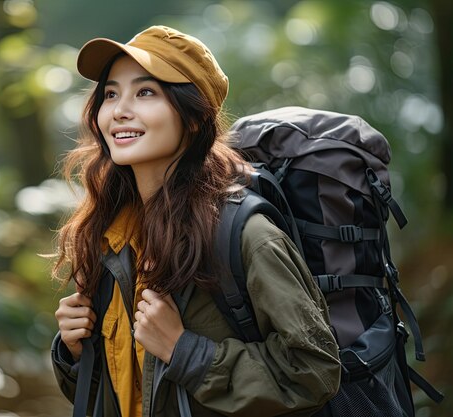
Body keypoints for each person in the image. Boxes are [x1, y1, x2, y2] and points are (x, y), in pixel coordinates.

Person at [51, 25, 341, 417]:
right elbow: (131, 390)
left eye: (146, 92)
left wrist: (183, 351)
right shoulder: (111, 237)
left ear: (191, 116)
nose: (119, 110)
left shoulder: (243, 234)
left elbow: (314, 372)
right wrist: (73, 351)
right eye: (111, 94)